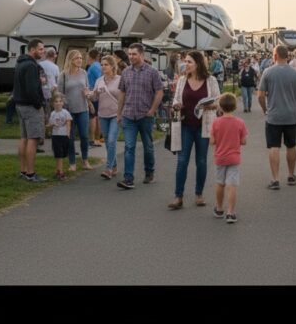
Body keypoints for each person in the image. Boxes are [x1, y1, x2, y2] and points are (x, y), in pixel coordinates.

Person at [169, 51, 220, 209]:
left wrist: (208, 105)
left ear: (198, 63)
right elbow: (176, 99)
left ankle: (199, 194)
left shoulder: (210, 80)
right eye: (185, 61)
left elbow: (218, 102)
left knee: (202, 161)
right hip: (185, 125)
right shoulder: (183, 80)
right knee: (182, 160)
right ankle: (178, 196)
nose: (186, 64)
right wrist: (176, 105)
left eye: (189, 61)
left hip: (203, 126)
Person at [258, 45, 296, 189]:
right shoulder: (295, 74)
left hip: (273, 116)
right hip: (291, 116)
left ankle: (275, 179)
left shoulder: (268, 72)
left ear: (275, 56)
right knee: (291, 145)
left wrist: (265, 109)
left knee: (274, 146)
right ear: (287, 56)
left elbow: (261, 95)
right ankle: (291, 175)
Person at [116, 43, 164, 190]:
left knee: (148, 146)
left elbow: (159, 92)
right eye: (129, 54)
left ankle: (149, 172)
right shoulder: (125, 72)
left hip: (145, 115)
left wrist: (152, 110)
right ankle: (128, 178)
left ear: (142, 55)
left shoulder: (152, 72)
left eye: (134, 54)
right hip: (129, 115)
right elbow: (122, 93)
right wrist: (119, 113)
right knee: (129, 146)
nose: (131, 57)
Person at [13, 38, 47, 182]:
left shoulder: (20, 64)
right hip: (30, 106)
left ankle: (23, 170)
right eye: (40, 49)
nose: (43, 51)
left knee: (24, 138)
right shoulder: (32, 66)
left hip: (20, 105)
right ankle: (31, 173)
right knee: (33, 140)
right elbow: (32, 89)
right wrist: (39, 104)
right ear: (32, 50)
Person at [211, 93, 247, 224]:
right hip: (234, 158)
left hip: (220, 157)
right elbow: (243, 141)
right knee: (232, 185)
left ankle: (219, 208)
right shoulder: (240, 122)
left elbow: (212, 141)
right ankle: (230, 213)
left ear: (219, 107)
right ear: (235, 107)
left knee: (220, 183)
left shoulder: (216, 122)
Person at [58, 49, 93, 171]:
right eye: (77, 58)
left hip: (83, 108)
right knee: (70, 137)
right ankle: (72, 163)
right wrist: (63, 105)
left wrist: (88, 94)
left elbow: (87, 88)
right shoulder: (63, 74)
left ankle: (85, 161)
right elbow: (59, 94)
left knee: (84, 136)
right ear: (71, 60)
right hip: (69, 111)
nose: (80, 60)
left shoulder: (84, 73)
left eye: (81, 58)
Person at [93, 55, 123, 179]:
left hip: (116, 114)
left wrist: (122, 113)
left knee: (111, 140)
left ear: (112, 66)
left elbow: (124, 97)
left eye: (106, 64)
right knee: (107, 141)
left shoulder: (120, 80)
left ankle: (108, 168)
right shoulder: (99, 81)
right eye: (102, 64)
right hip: (102, 114)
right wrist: (89, 95)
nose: (103, 67)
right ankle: (114, 165)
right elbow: (95, 97)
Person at [46, 94, 73, 180]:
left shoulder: (65, 112)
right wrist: (48, 126)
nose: (58, 103)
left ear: (63, 103)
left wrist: (68, 133)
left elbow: (68, 122)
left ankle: (58, 169)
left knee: (63, 153)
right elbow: (50, 124)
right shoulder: (53, 113)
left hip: (64, 136)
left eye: (60, 101)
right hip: (55, 136)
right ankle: (60, 171)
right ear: (53, 103)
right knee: (58, 154)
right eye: (56, 101)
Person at [87, 48, 103, 146]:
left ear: (90, 56)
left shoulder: (94, 66)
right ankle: (98, 138)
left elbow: (100, 79)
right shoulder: (96, 66)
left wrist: (95, 92)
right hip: (95, 93)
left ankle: (93, 139)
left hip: (94, 94)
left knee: (93, 116)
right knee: (96, 116)